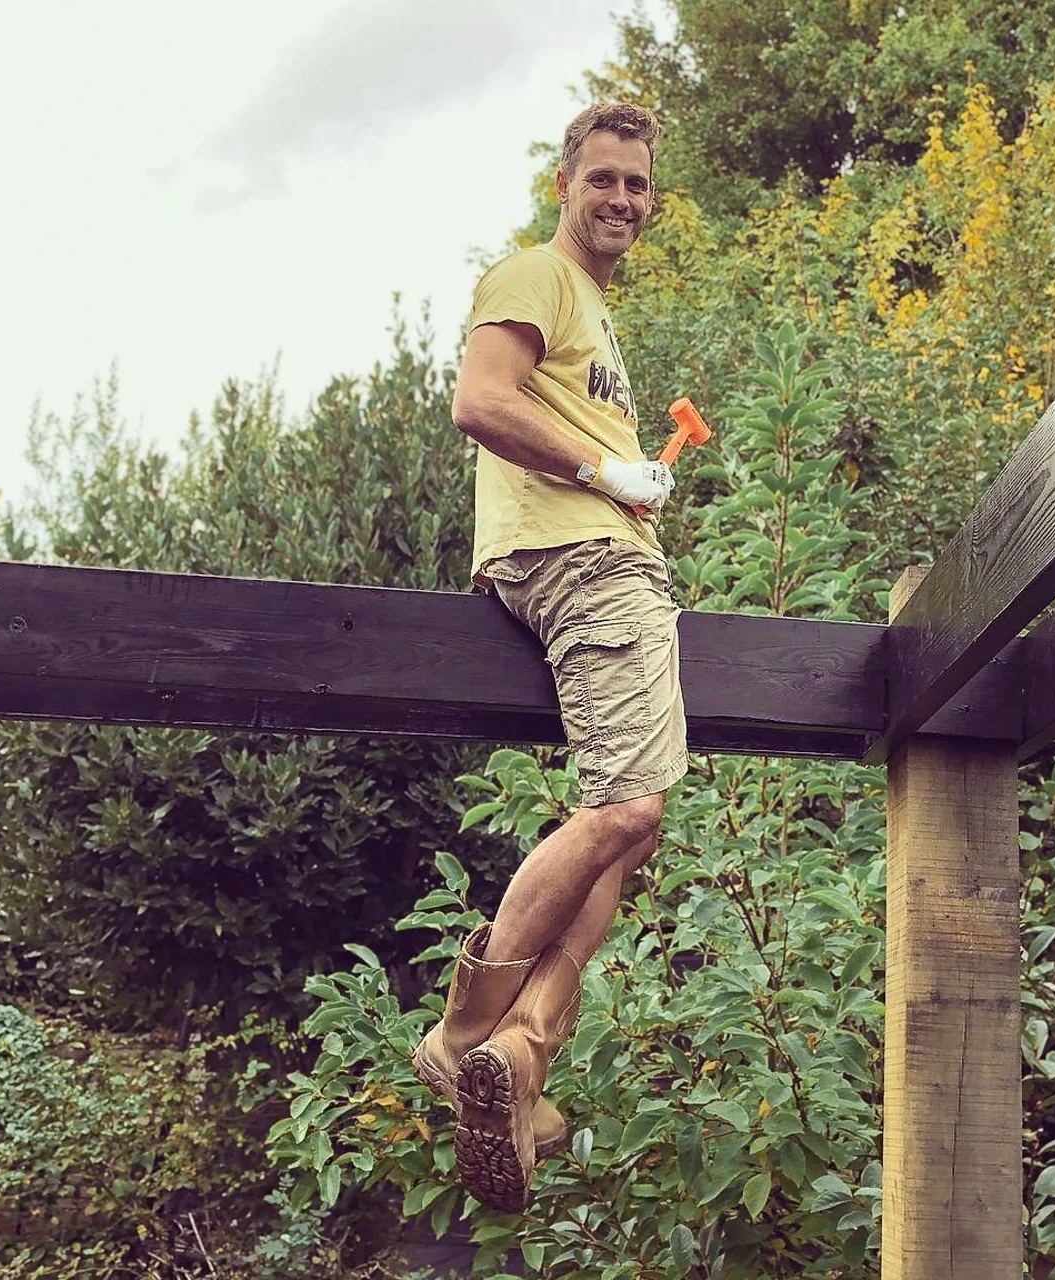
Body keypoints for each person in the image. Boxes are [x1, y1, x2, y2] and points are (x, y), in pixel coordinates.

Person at [411, 101, 687, 1215]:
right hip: (579, 560)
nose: (619, 198)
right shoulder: (536, 274)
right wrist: (603, 472)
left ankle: (522, 1063)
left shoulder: (593, 315)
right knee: (623, 811)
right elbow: (480, 400)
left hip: (593, 554)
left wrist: (628, 476)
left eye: (637, 186)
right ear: (562, 184)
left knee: (637, 825)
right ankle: (468, 1028)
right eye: (602, 178)